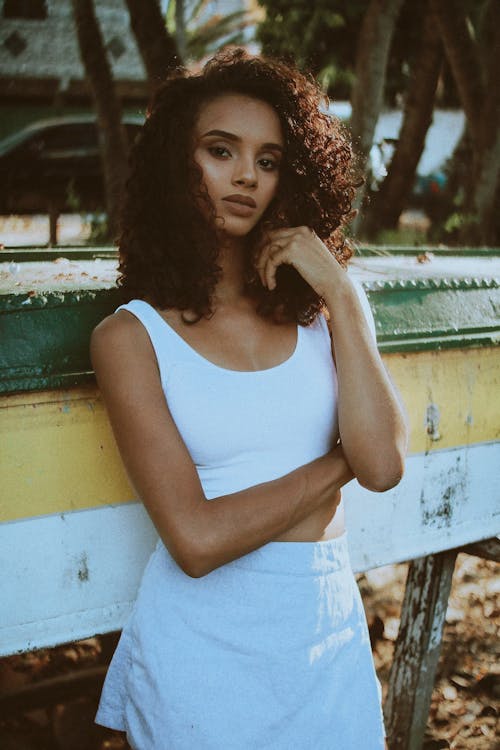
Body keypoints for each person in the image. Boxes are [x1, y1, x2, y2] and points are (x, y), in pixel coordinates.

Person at [92, 48, 408, 749]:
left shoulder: (323, 316)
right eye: (220, 150)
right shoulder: (132, 338)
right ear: (180, 161)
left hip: (324, 630)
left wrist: (344, 297)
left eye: (268, 160)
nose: (245, 176)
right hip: (203, 651)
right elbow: (197, 541)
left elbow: (383, 465)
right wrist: (337, 465)